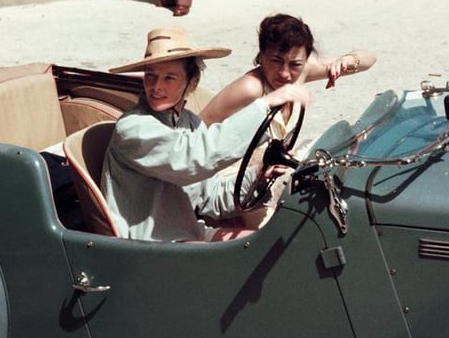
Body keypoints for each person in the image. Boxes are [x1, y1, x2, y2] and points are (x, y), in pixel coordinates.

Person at [101, 26, 312, 241]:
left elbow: (211, 198)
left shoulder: (190, 123)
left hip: (190, 234)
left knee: (277, 244)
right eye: (151, 76)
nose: (156, 87)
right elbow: (193, 159)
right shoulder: (133, 127)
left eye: (169, 78)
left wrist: (258, 175)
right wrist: (264, 104)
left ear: (191, 83)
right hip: (150, 246)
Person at [200, 13, 376, 129]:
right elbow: (196, 131)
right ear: (261, 56)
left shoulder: (305, 69)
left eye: (295, 64)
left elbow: (369, 58)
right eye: (276, 61)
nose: (284, 73)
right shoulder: (250, 88)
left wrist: (346, 61)